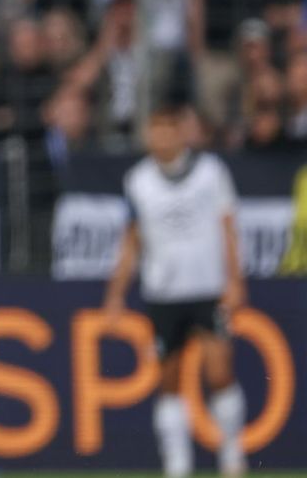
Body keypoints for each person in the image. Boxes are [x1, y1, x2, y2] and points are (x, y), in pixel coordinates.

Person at [103, 103, 247, 478]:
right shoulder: (138, 181)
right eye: (155, 130)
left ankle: (232, 456)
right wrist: (115, 294)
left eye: (168, 129)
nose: (161, 138)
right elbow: (131, 242)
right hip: (163, 294)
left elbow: (228, 227)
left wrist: (235, 280)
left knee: (219, 373)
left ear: (182, 133)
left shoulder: (211, 173)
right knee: (169, 378)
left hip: (205, 288)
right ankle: (177, 464)